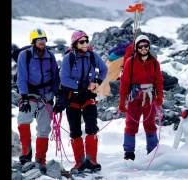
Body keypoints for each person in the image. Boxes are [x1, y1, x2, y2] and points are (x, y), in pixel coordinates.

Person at [126, 91, 188, 170]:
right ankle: (138, 163)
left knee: (166, 158)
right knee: (161, 148)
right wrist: (173, 151)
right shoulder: (186, 119)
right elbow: (177, 138)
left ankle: (142, 168)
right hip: (183, 151)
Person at [54, 30, 107, 173]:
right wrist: (82, 86)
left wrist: (97, 82)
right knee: (75, 131)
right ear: (75, 44)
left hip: (88, 96)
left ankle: (92, 160)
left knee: (91, 127)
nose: (85, 44)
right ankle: (79, 162)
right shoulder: (68, 58)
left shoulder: (92, 56)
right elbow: (64, 79)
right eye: (81, 41)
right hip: (72, 97)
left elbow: (104, 69)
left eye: (86, 40)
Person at [16, 28, 59, 173]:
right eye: (39, 41)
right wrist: (25, 98)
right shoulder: (25, 55)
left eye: (44, 41)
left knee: (44, 129)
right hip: (30, 95)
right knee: (23, 120)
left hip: (46, 96)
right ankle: (26, 155)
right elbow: (21, 77)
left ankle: (40, 159)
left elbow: (55, 77)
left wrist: (53, 96)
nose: (42, 43)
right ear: (33, 42)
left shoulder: (50, 56)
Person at [119, 34, 164, 161]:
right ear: (136, 48)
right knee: (131, 124)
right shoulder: (130, 62)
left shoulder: (155, 63)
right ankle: (129, 153)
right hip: (134, 98)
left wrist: (160, 96)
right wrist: (122, 102)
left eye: (146, 45)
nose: (144, 48)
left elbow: (159, 81)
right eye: (141, 46)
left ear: (149, 46)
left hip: (149, 98)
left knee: (150, 124)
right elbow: (125, 83)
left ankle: (152, 151)